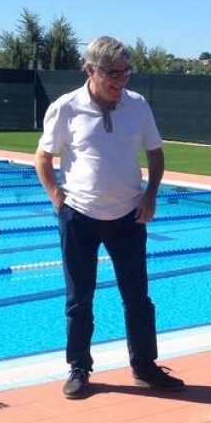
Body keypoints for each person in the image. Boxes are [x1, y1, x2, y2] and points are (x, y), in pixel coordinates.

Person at [34, 36, 185, 399]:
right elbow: (43, 157)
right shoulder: (66, 107)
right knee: (79, 297)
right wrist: (58, 200)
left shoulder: (138, 105)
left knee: (138, 297)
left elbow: (156, 154)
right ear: (91, 70)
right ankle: (79, 368)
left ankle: (145, 367)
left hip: (128, 217)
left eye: (126, 73)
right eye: (113, 73)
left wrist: (150, 196)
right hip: (79, 216)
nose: (121, 80)